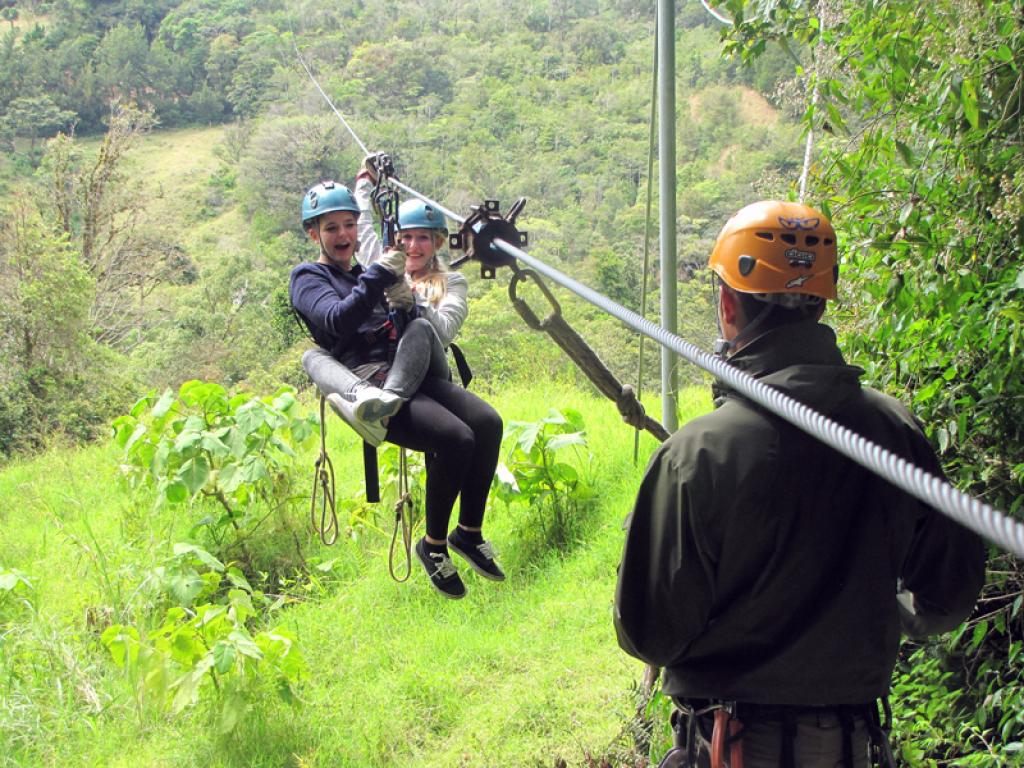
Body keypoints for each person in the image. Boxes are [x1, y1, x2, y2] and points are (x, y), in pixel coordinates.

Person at [613, 201, 986, 767]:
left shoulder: (696, 454)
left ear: (727, 303)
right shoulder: (895, 432)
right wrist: (870, 617)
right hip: (853, 742)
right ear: (819, 302)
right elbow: (949, 592)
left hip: (731, 742)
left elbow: (650, 632)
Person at [290, 176, 505, 600]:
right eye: (331, 228)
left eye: (349, 225)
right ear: (314, 233)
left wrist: (404, 301)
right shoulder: (308, 277)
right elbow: (336, 321)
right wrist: (377, 279)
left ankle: (469, 532)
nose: (344, 235)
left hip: (408, 374)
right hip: (370, 382)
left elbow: (404, 325)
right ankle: (433, 546)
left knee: (487, 422)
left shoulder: (364, 274)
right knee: (457, 439)